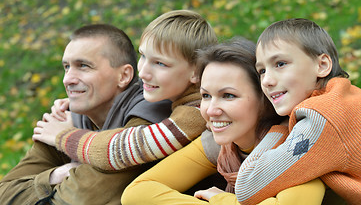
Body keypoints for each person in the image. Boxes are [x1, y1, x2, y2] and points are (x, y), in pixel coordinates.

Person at [121, 37, 326, 205]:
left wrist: (222, 200)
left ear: (265, 98)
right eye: (206, 96)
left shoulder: (298, 146)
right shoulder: (221, 144)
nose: (211, 110)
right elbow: (137, 192)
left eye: (228, 95)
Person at [0, 24, 173, 204]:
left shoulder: (149, 117)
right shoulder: (66, 119)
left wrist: (67, 138)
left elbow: (79, 199)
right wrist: (56, 175)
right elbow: (4, 193)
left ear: (123, 76)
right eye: (66, 67)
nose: (68, 79)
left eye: (83, 66)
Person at [32, 11, 217, 176]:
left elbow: (119, 151)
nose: (143, 72)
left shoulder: (196, 113)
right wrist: (76, 100)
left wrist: (63, 136)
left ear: (196, 71)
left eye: (160, 63)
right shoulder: (189, 102)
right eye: (143, 56)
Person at [234, 18, 360, 205]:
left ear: (322, 66)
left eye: (280, 64)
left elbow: (246, 186)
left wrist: (282, 125)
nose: (267, 80)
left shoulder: (321, 118)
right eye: (261, 71)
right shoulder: (346, 97)